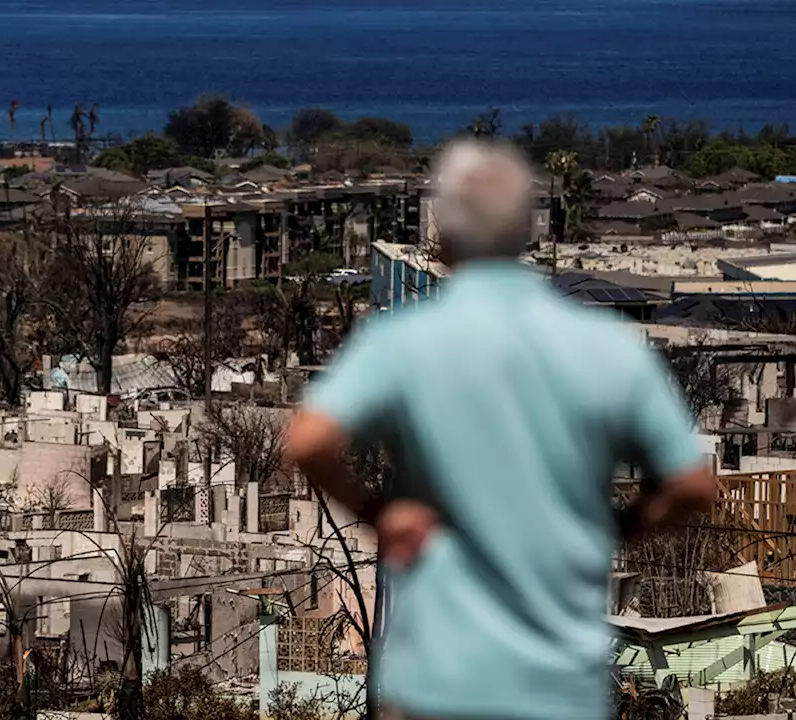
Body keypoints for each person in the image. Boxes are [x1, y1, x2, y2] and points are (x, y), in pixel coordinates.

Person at [284, 139, 717, 720]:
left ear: (447, 234)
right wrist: (618, 527)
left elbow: (308, 439)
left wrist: (377, 512)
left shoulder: (405, 341)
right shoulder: (604, 346)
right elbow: (692, 483)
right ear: (524, 231)